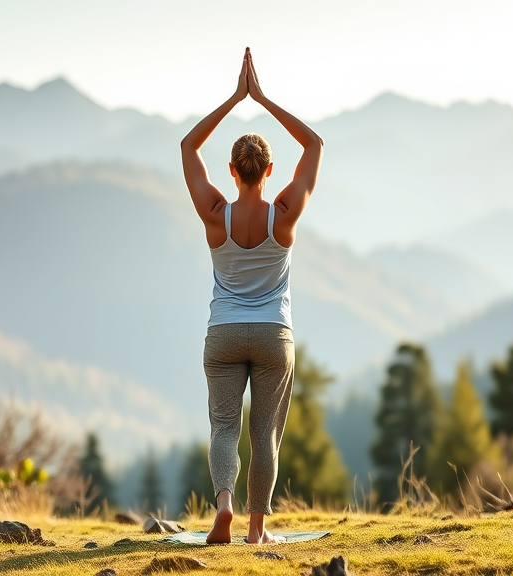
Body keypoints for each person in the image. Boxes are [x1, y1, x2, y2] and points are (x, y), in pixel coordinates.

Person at [180, 47, 323, 545]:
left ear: (233, 170)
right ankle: (256, 530)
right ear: (268, 171)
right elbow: (315, 144)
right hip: (272, 335)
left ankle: (224, 506)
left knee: (223, 428)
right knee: (264, 433)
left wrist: (233, 99)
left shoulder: (214, 214)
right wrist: (261, 99)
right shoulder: (283, 215)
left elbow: (186, 148)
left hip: (222, 333)